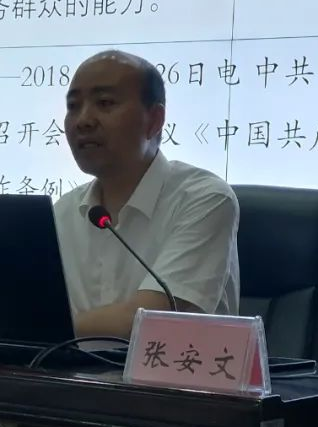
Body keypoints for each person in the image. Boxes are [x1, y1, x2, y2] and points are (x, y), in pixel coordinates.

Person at [54, 50, 240, 339]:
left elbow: (152, 321)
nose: (83, 120)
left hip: (173, 369)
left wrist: (37, 329)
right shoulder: (62, 213)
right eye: (73, 106)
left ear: (154, 120)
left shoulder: (204, 199)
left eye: (105, 103)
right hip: (68, 368)